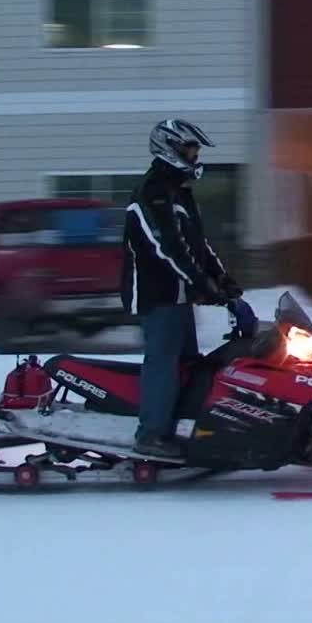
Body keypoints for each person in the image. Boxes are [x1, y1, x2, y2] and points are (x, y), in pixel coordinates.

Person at [121, 118, 242, 458]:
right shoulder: (152, 192)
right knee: (164, 361)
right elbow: (165, 247)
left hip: (179, 294)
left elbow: (198, 245)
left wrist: (221, 277)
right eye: (190, 149)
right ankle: (151, 434)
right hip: (155, 294)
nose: (195, 155)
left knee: (190, 363)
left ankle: (186, 426)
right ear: (170, 149)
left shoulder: (179, 192)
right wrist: (201, 281)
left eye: (195, 149)